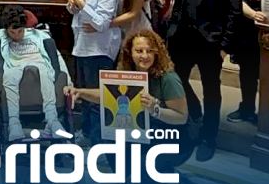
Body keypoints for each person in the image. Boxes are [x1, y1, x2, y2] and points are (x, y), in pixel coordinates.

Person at [166, 0, 237, 161]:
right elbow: (178, 5)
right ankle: (191, 119)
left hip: (210, 44)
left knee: (212, 92)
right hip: (182, 41)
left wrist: (225, 46)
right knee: (177, 83)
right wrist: (171, 33)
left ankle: (209, 137)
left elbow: (234, 13)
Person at [72, 30, 192, 165]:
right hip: (141, 133)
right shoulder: (126, 73)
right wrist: (80, 92)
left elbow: (181, 117)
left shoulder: (168, 78)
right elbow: (108, 95)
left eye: (150, 51)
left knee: (142, 167)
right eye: (139, 51)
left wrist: (156, 109)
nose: (145, 56)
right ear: (130, 53)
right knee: (110, 138)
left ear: (156, 53)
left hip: (171, 136)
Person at [0, 5, 69, 141]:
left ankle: (52, 121)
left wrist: (69, 81)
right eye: (12, 32)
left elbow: (57, 58)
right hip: (14, 64)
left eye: (20, 31)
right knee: (9, 76)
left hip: (38, 63)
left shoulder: (39, 35)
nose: (16, 36)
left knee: (45, 73)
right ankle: (14, 123)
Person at [65, 0, 120, 144]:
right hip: (81, 45)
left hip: (98, 51)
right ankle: (87, 133)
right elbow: (77, 12)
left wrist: (82, 5)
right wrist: (73, 5)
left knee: (97, 99)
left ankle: (98, 140)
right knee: (84, 95)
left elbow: (101, 23)